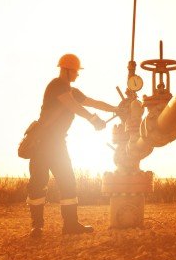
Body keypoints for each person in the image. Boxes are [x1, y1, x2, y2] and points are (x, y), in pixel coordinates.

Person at [26, 53, 119, 237]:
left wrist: (116, 109)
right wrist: (93, 119)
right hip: (43, 142)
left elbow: (94, 102)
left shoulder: (72, 91)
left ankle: (70, 225)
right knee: (38, 183)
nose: (78, 74)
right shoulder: (56, 86)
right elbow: (73, 106)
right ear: (67, 70)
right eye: (76, 71)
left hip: (56, 143)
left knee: (67, 181)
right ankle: (37, 227)